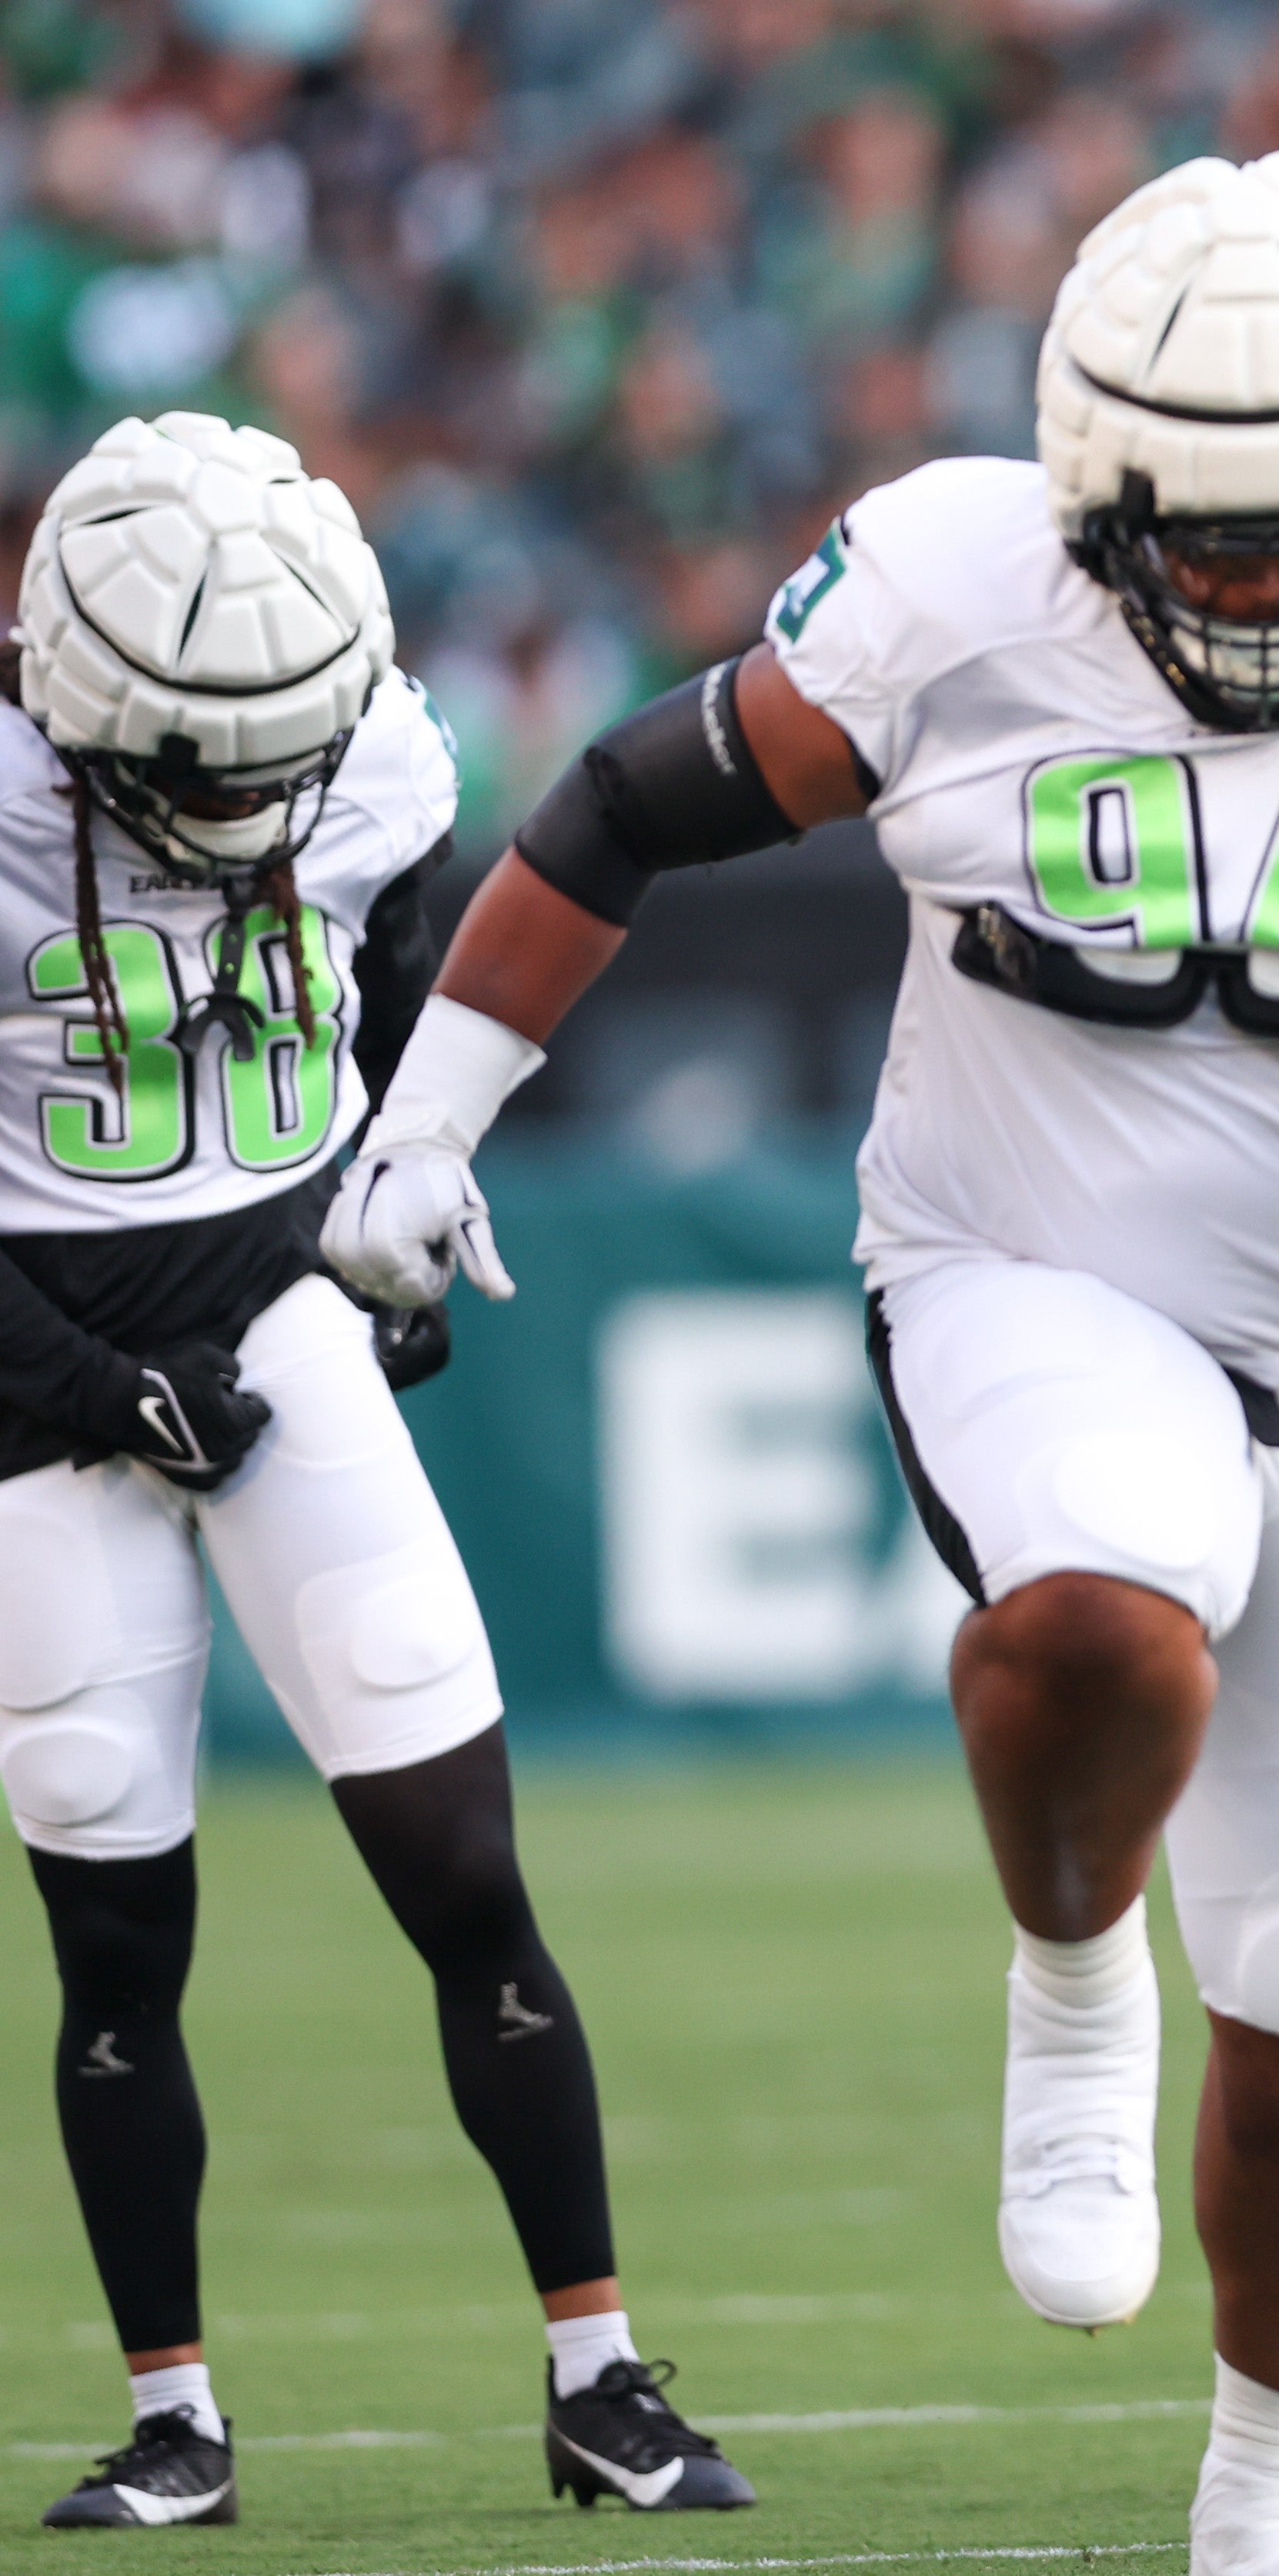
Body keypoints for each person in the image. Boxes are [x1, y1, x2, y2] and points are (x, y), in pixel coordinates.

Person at [322, 155, 1279, 2576]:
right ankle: (1070, 1966)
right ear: (1091, 493)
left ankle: (1278, 2497)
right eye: (1208, 534)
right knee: (1096, 1589)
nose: (1264, 585)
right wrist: (431, 1119)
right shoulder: (958, 592)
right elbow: (622, 806)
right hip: (1014, 1262)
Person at [0, 413, 746, 2526]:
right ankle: (175, 2418)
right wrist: (78, 1383)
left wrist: (409, 1186)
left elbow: (405, 1000)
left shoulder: (381, 753)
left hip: (275, 1319)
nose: (252, 801)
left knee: (467, 1866)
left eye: (279, 753)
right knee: (112, 1920)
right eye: (199, 762)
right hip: (38, 1386)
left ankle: (601, 2380)